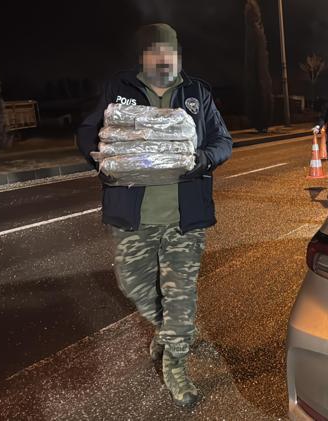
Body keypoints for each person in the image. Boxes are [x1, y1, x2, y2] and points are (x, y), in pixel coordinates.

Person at [76, 23, 232, 408]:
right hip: (134, 215)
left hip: (184, 217)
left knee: (180, 297)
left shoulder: (196, 92)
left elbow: (223, 141)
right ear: (143, 56)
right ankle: (166, 332)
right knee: (134, 285)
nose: (164, 59)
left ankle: (176, 364)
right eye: (155, 51)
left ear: (178, 55)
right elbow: (88, 131)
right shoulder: (120, 88)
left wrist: (201, 159)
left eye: (170, 52)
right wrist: (103, 162)